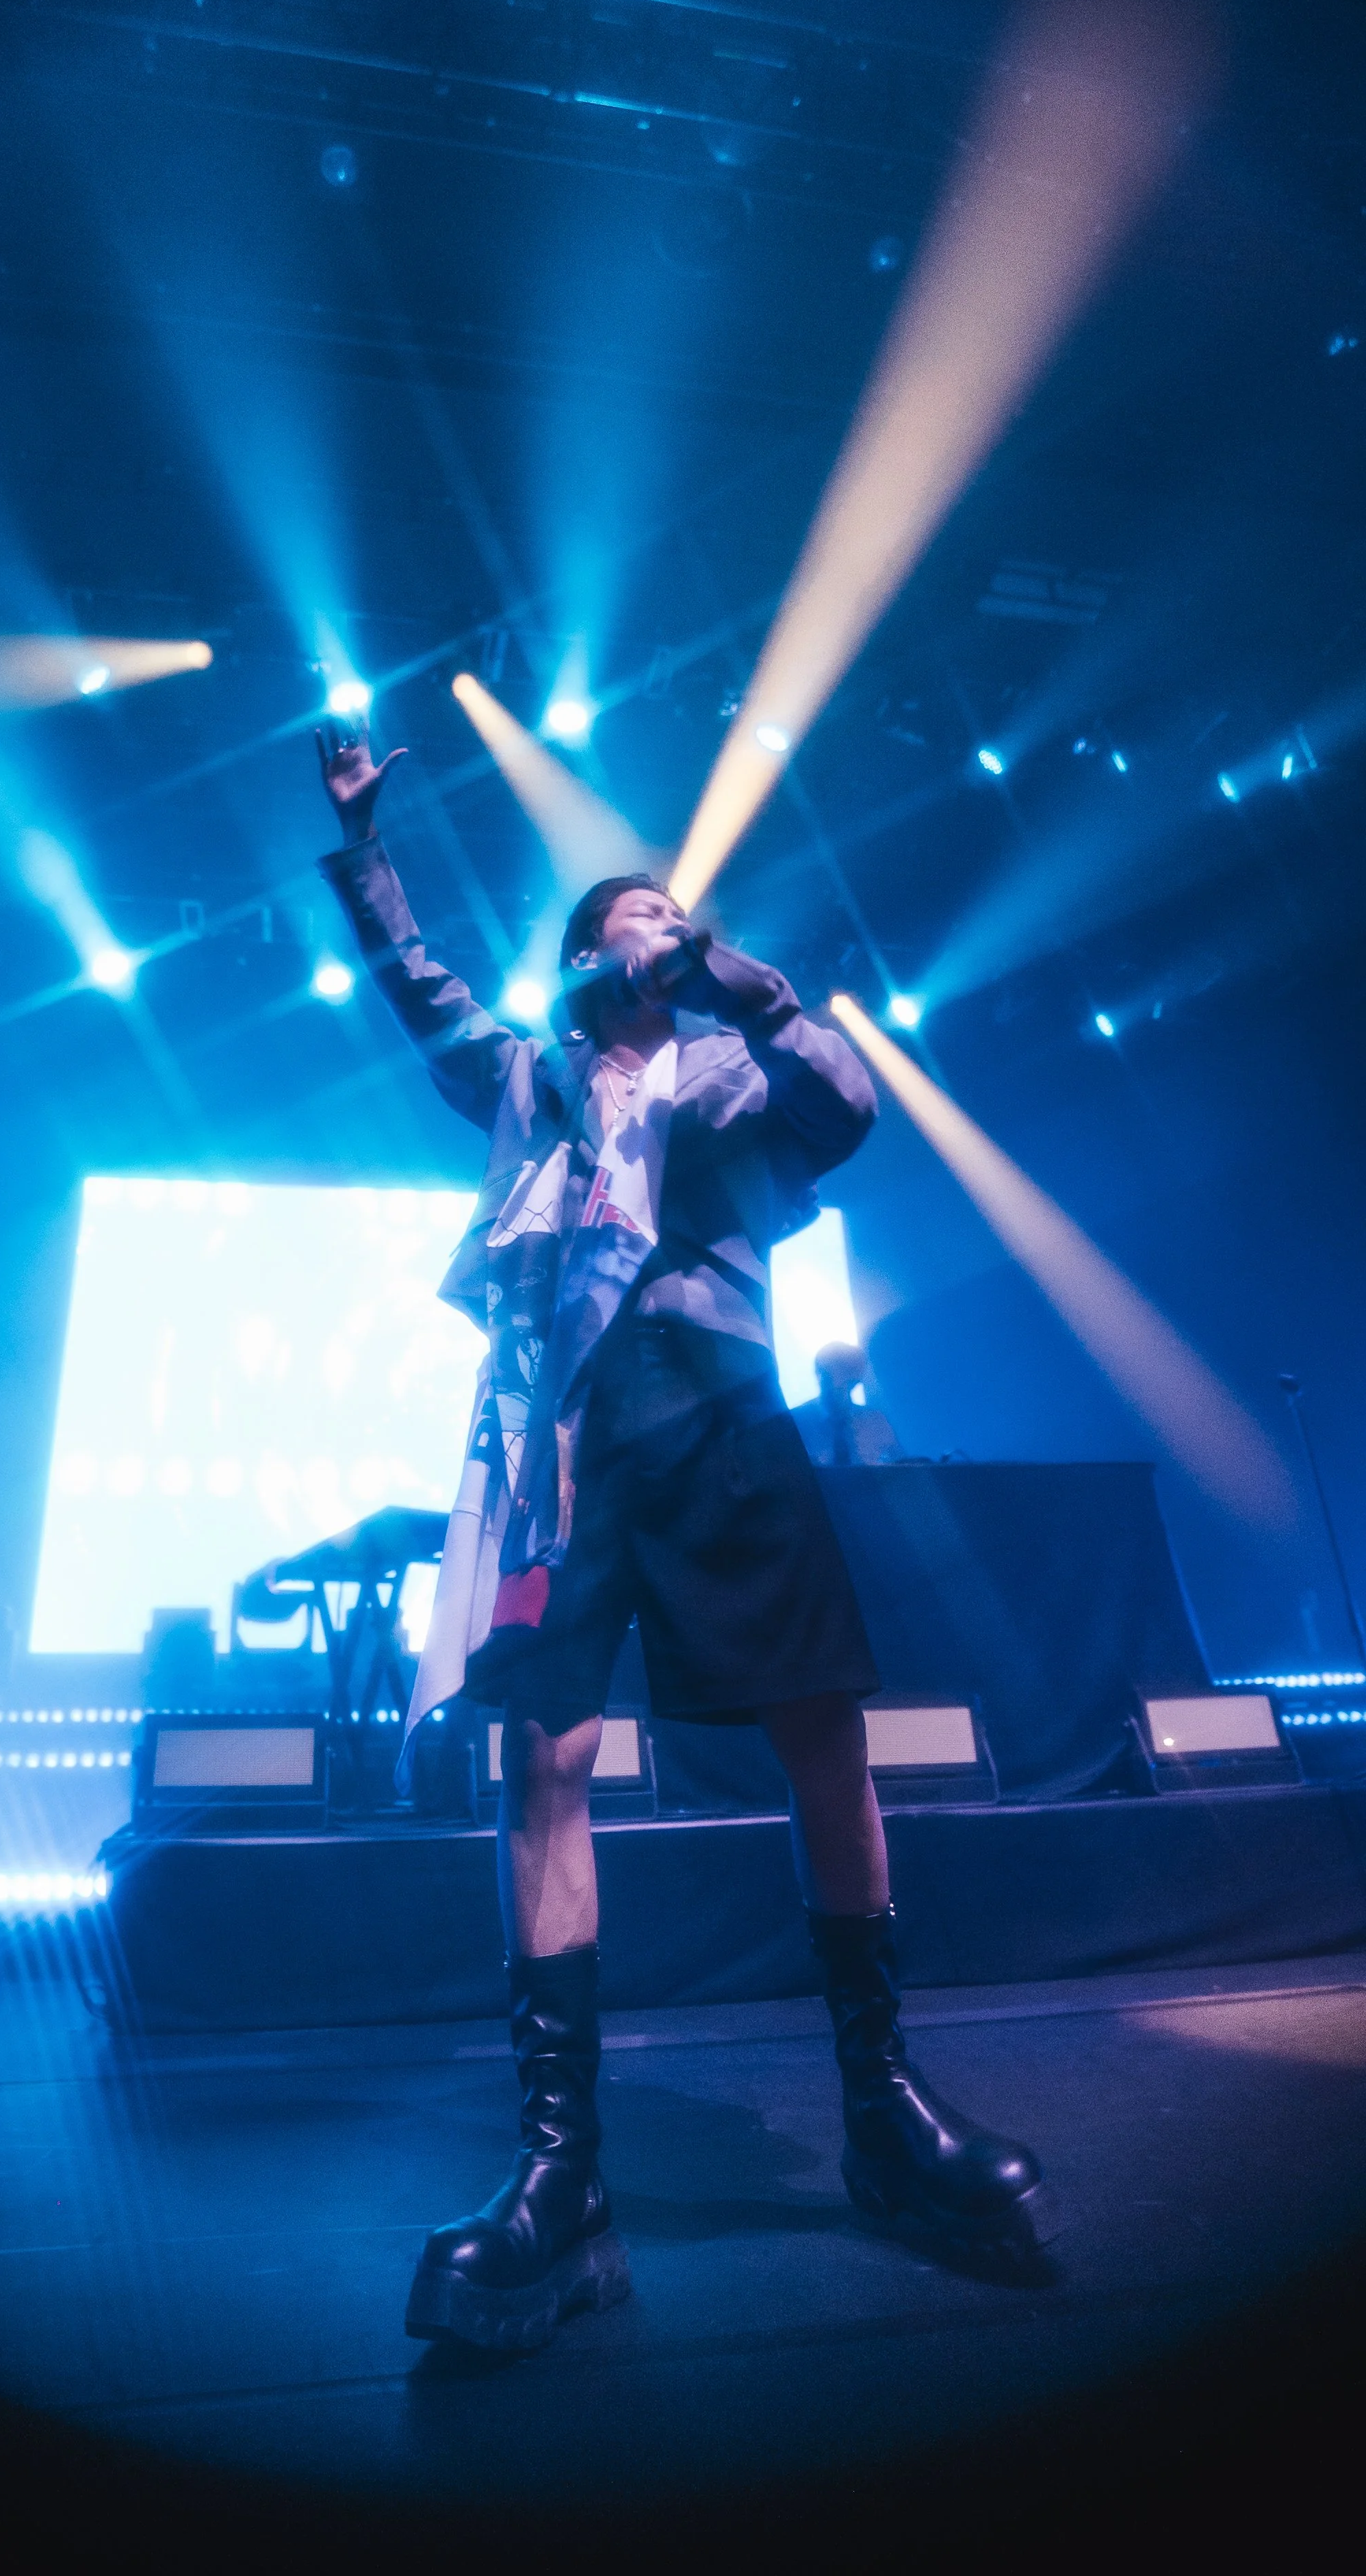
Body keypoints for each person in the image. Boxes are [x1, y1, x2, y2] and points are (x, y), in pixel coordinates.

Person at [317, 719, 1050, 2352]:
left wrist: (720, 961)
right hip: (560, 1444)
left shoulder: (735, 1066)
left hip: (719, 1419)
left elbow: (846, 1096)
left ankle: (879, 2107)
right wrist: (368, 850)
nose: (655, 925)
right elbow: (415, 990)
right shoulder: (528, 1076)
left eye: (669, 914)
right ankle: (562, 2176)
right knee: (543, 1765)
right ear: (585, 953)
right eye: (630, 917)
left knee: (821, 1742)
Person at [792, 1341, 904, 1468]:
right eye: (830, 1374)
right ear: (819, 1374)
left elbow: (901, 1468)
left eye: (847, 1377)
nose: (839, 1385)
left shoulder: (875, 1422)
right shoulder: (795, 1421)